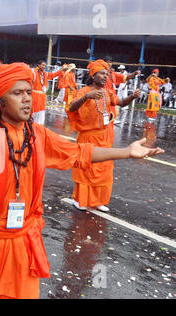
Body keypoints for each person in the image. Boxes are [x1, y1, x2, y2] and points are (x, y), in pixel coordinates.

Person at [0, 62, 163, 299]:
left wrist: (126, 152)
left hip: (24, 242)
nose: (27, 99)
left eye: (28, 92)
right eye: (17, 93)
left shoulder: (38, 134)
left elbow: (79, 152)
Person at [67, 59, 141, 212]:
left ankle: (98, 201)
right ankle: (80, 200)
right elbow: (72, 107)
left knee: (104, 169)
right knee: (86, 169)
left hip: (105, 137)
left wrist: (132, 97)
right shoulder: (84, 91)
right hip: (88, 137)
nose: (105, 76)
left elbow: (120, 103)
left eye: (107, 74)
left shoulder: (108, 92)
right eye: (102, 73)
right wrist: (86, 97)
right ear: (93, 75)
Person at [31, 60, 62, 125]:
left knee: (41, 111)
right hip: (35, 95)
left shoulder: (45, 74)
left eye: (45, 65)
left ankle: (39, 126)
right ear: (38, 65)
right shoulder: (33, 73)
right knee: (34, 112)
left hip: (42, 96)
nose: (44, 66)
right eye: (42, 65)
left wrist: (61, 70)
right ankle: (32, 126)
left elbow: (53, 75)